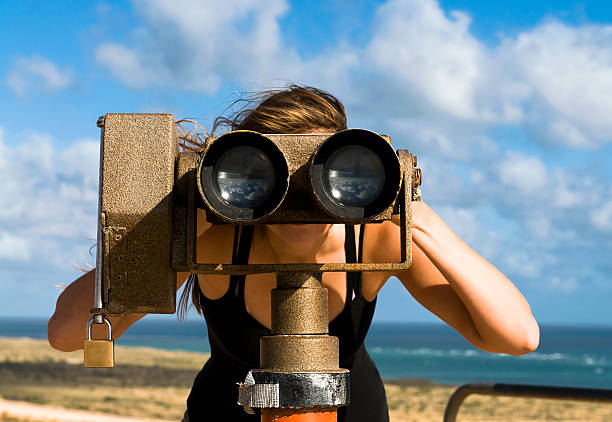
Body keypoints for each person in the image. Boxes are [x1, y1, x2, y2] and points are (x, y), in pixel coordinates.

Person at [47, 85, 540, 421]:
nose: (303, 200)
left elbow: (516, 337)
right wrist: (171, 228)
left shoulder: (373, 239)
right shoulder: (215, 238)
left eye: (334, 176)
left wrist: (413, 210)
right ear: (239, 179)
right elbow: (68, 334)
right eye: (270, 176)